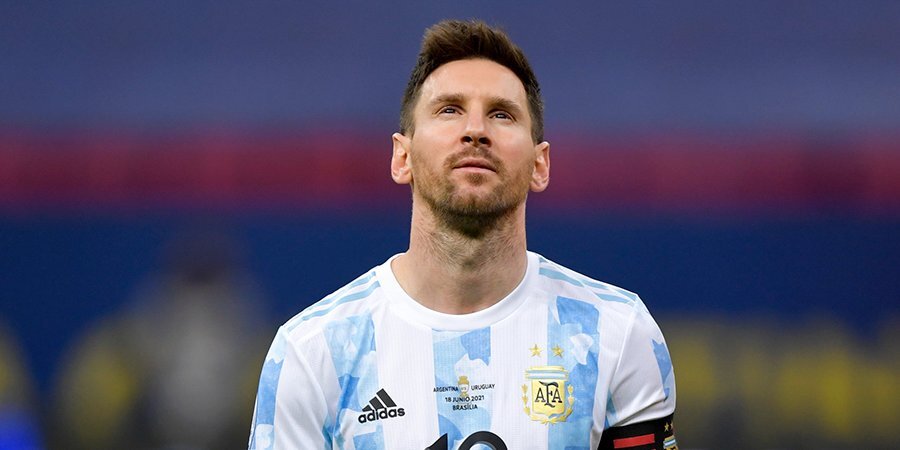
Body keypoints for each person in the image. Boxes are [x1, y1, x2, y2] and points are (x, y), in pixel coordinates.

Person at [250, 19, 677, 450]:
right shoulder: (313, 352)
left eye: (501, 114)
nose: (475, 131)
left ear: (540, 165)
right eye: (449, 110)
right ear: (402, 157)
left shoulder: (618, 334)